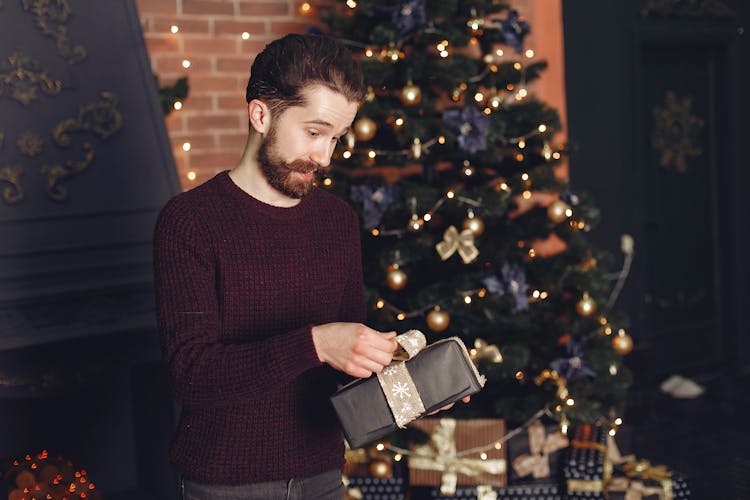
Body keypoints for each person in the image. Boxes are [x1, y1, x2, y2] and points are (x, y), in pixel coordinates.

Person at [153, 33, 465, 500]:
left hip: (322, 478)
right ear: (261, 115)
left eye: (336, 138)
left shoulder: (337, 221)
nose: (324, 157)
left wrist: (412, 384)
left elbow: (342, 368)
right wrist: (317, 342)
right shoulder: (189, 221)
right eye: (314, 132)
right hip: (224, 485)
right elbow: (191, 375)